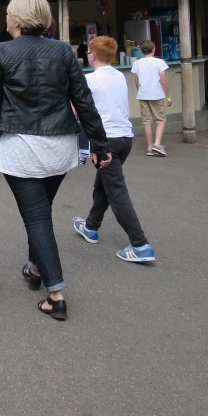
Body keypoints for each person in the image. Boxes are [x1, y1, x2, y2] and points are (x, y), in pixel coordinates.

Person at [0, 0, 109, 322]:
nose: (6, 19)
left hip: (20, 145)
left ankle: (56, 294)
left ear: (16, 21)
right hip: (61, 143)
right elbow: (84, 100)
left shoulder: (1, 52)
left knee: (36, 218)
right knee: (40, 210)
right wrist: (99, 145)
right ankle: (35, 268)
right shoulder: (63, 50)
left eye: (8, 15)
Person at [72, 36, 156, 264]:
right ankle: (91, 226)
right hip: (125, 138)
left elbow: (76, 109)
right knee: (105, 184)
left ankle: (140, 244)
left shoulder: (88, 79)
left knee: (117, 192)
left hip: (104, 141)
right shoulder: (120, 76)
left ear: (92, 55)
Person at [131, 39, 171, 157]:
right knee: (160, 120)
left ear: (142, 51)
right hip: (156, 95)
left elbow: (136, 81)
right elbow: (163, 80)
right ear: (154, 49)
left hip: (143, 95)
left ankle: (149, 147)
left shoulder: (137, 63)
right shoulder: (159, 62)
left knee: (147, 121)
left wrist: (141, 90)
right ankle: (157, 144)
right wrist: (168, 96)